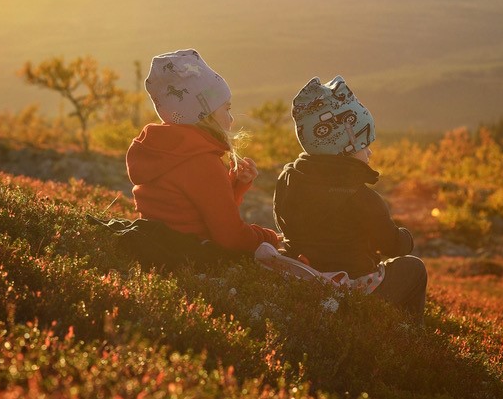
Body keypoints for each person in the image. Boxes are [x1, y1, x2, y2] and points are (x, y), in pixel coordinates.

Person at [273, 76, 427, 323]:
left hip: (308, 277)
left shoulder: (288, 179)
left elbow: (283, 224)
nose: (370, 152)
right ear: (344, 146)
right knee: (413, 268)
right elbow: (391, 245)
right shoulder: (361, 197)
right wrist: (406, 238)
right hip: (353, 291)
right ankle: (407, 331)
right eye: (364, 144)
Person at [126, 49, 280, 259]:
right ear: (205, 115)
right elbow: (230, 237)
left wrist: (235, 186)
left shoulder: (165, 150)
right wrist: (271, 238)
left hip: (164, 252)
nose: (231, 118)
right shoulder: (201, 162)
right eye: (226, 109)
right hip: (195, 257)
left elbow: (193, 213)